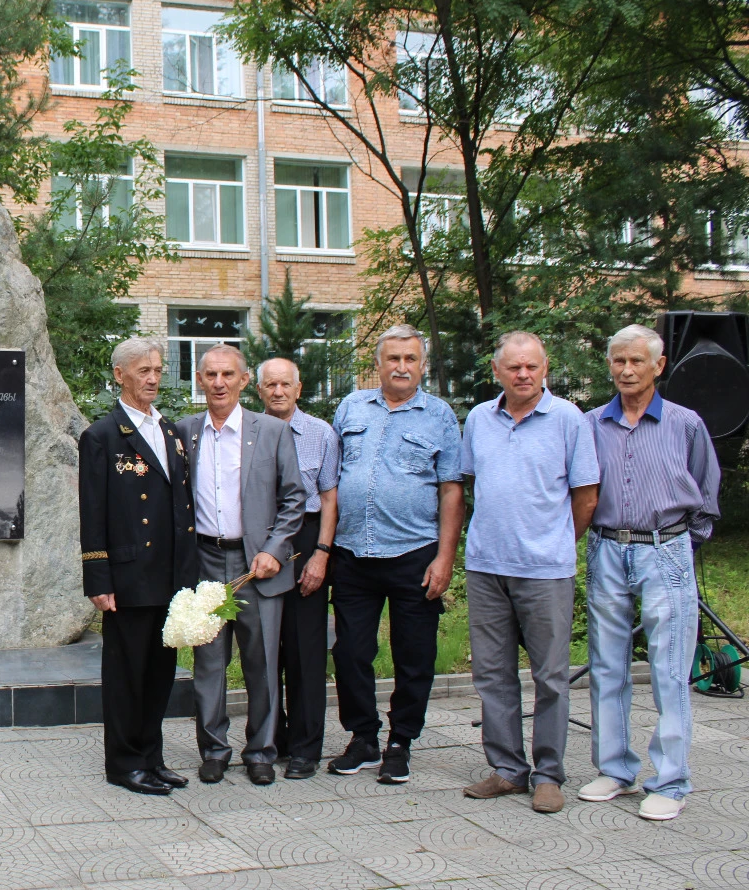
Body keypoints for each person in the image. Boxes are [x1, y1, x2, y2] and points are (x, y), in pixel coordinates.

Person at [579, 324, 720, 822]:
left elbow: (706, 492)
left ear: (658, 366)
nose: (626, 370)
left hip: (666, 550)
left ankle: (670, 779)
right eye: (618, 361)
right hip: (607, 548)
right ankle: (615, 769)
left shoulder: (686, 424)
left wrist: (680, 543)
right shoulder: (591, 423)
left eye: (637, 361)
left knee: (668, 667)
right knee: (607, 664)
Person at [460, 332, 600, 814]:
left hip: (545, 570)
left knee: (551, 675)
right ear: (496, 371)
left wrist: (557, 541)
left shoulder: (568, 419)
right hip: (485, 566)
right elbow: (471, 483)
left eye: (532, 367)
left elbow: (586, 497)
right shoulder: (479, 418)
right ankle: (507, 770)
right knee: (493, 674)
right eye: (514, 367)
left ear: (545, 370)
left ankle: (548, 773)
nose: (523, 375)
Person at [327, 324, 462, 784]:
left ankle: (401, 741)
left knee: (415, 655)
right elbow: (331, 480)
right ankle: (363, 736)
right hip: (353, 554)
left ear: (422, 365)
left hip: (415, 554)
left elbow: (450, 490)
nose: (401, 367)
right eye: (393, 358)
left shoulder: (440, 415)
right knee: (350, 652)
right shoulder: (350, 407)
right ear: (378, 363)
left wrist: (445, 558)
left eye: (411, 359)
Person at [174, 346, 306, 786]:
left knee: (262, 663)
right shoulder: (185, 432)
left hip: (257, 563)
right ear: (198, 378)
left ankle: (262, 751)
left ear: (244, 380)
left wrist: (274, 548)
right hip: (206, 560)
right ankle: (213, 750)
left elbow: (294, 498)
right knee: (208, 663)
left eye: (228, 374)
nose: (219, 382)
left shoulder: (269, 431)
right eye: (210, 374)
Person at [78, 337, 198, 795]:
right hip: (128, 576)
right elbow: (94, 514)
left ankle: (152, 755)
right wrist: (98, 577)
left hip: (169, 574)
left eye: (157, 370)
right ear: (119, 375)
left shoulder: (169, 432)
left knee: (159, 671)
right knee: (127, 675)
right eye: (143, 370)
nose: (152, 378)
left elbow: (180, 507)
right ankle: (125, 763)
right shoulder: (103, 436)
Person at [256, 357, 340, 779]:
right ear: (259, 392)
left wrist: (322, 553)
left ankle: (307, 747)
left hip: (306, 541)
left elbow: (329, 497)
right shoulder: (250, 432)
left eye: (285, 384)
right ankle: (276, 737)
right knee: (267, 648)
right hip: (262, 542)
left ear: (298, 389)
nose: (277, 391)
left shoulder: (322, 434)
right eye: (269, 385)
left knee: (306, 649)